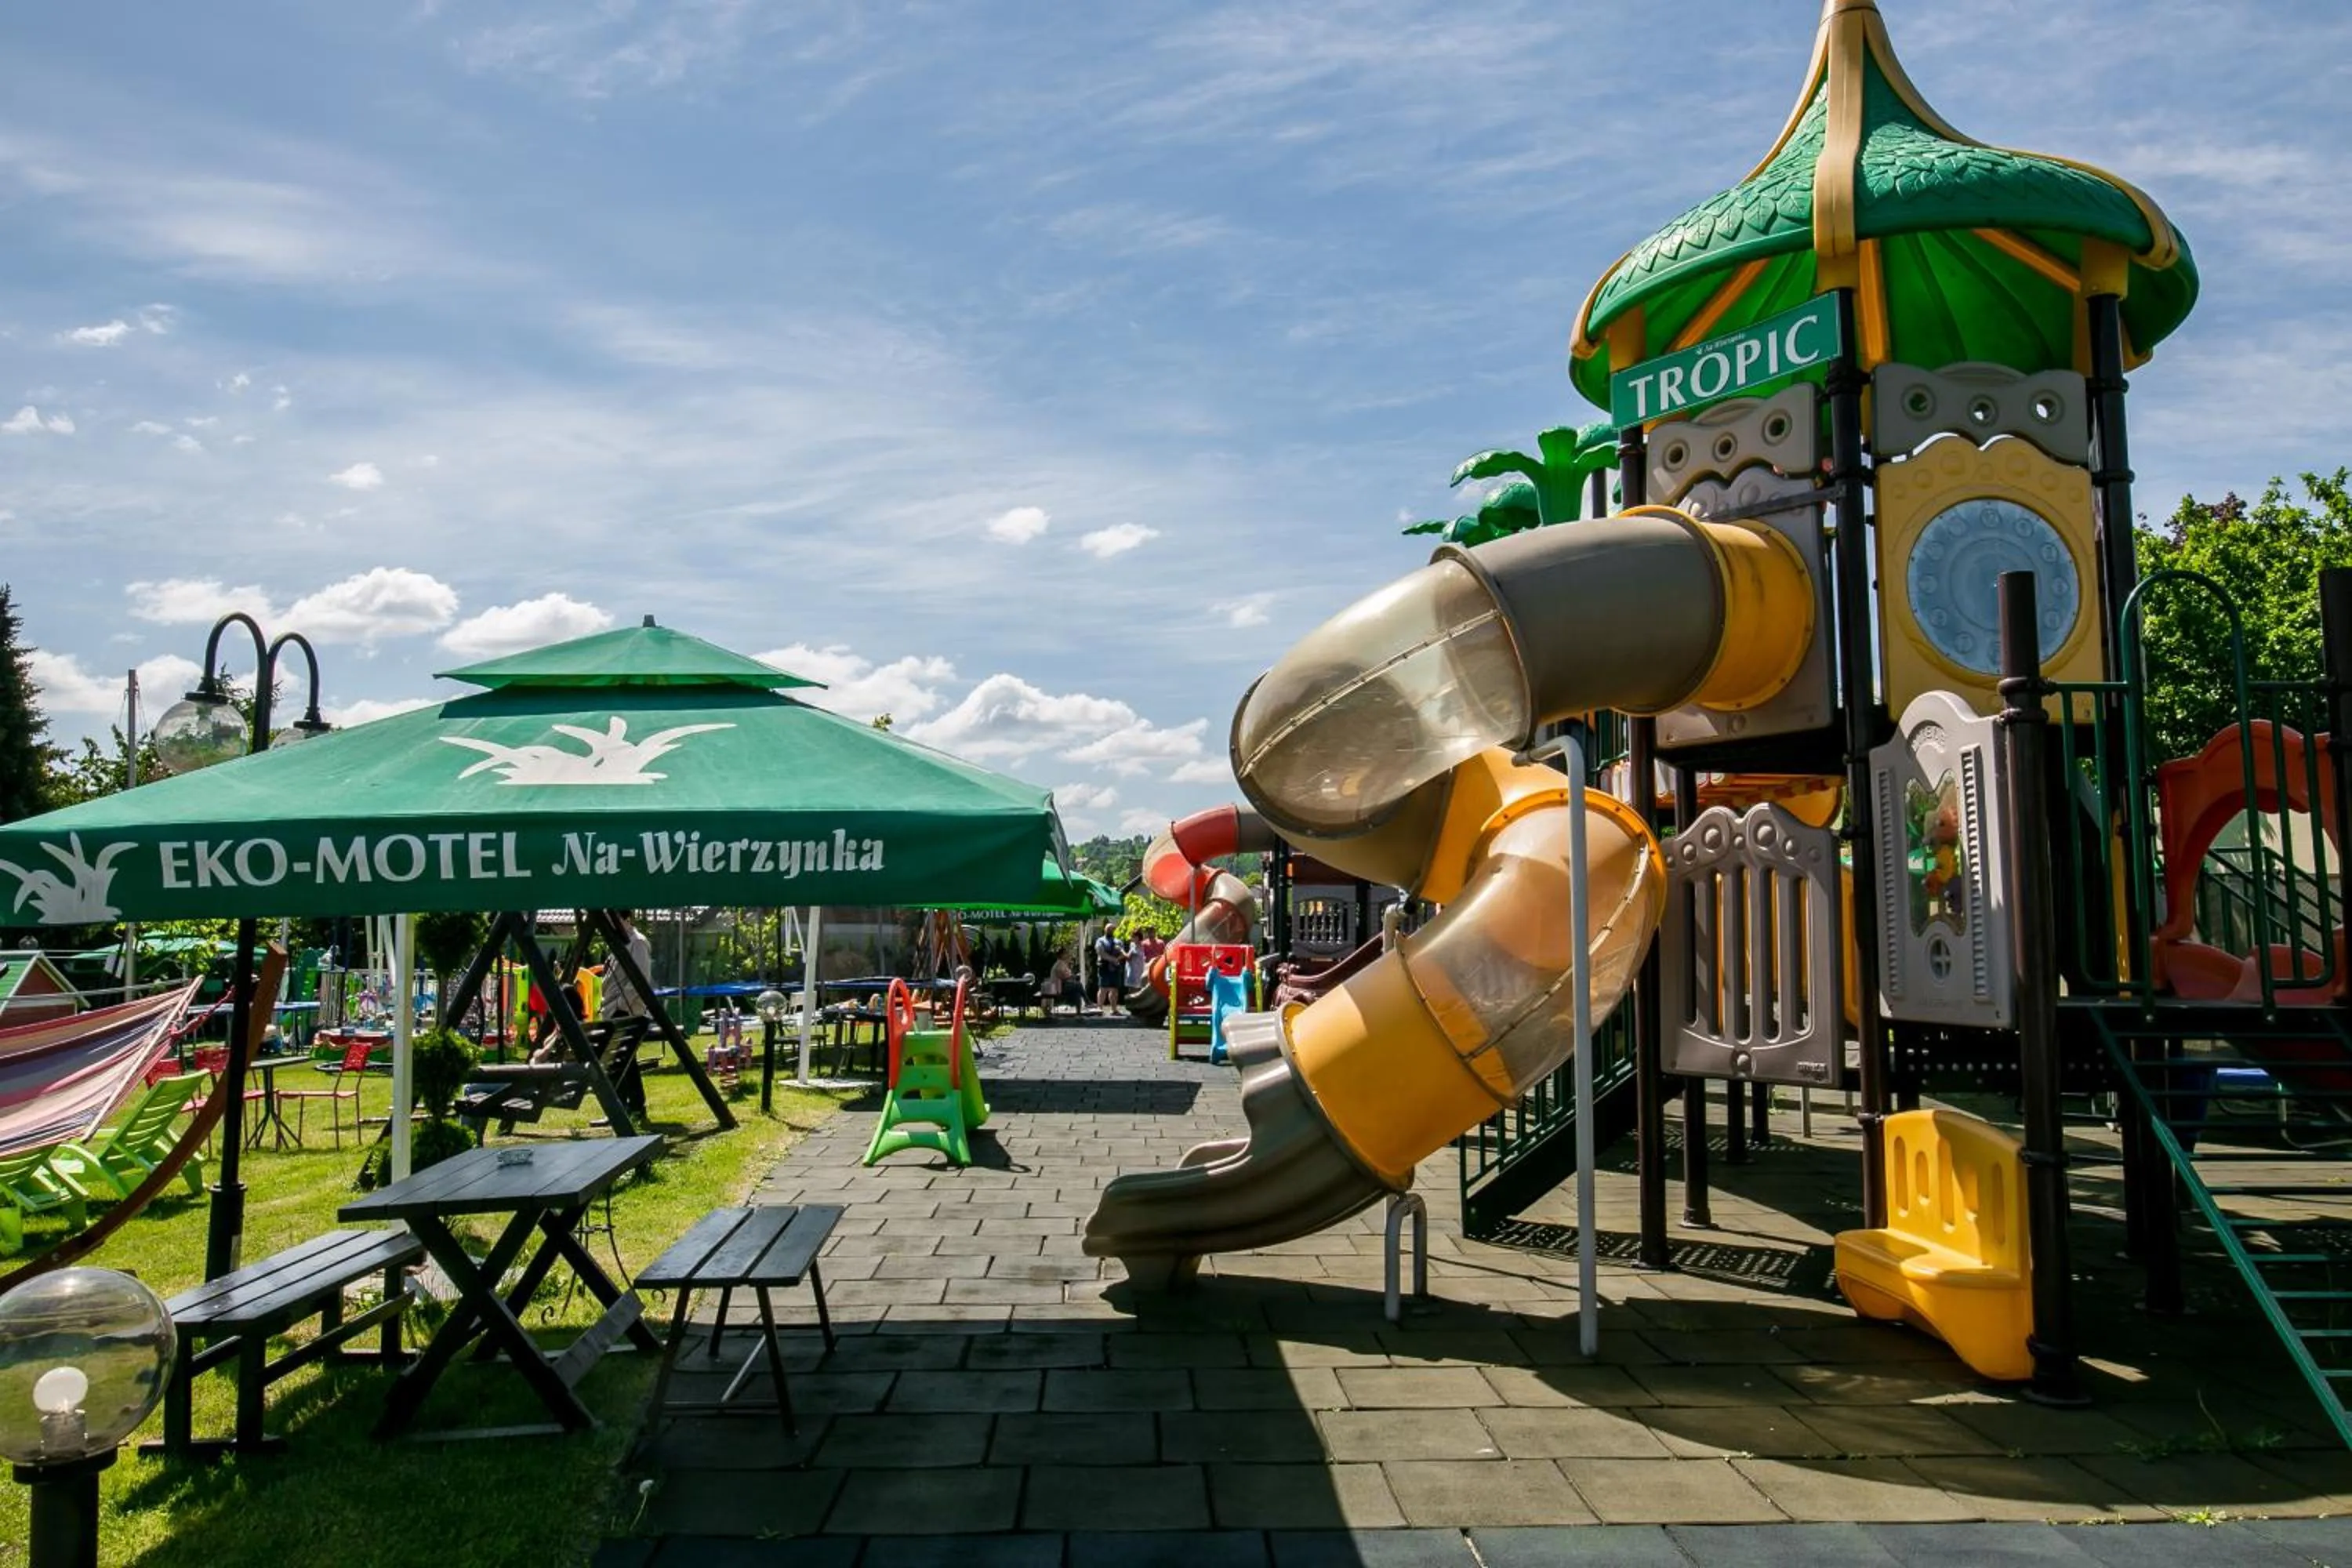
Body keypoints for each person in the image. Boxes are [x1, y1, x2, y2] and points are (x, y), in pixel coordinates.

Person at [1093, 928, 1127, 1015]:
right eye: (1108, 929)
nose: (1110, 931)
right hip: (1104, 967)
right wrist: (1113, 959)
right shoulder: (1100, 940)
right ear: (1105, 930)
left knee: (1114, 989)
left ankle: (1114, 1009)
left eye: (1112, 929)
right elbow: (1101, 953)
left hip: (1116, 968)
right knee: (1103, 988)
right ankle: (1099, 1009)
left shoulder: (1118, 941)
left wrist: (1117, 959)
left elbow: (1123, 953)